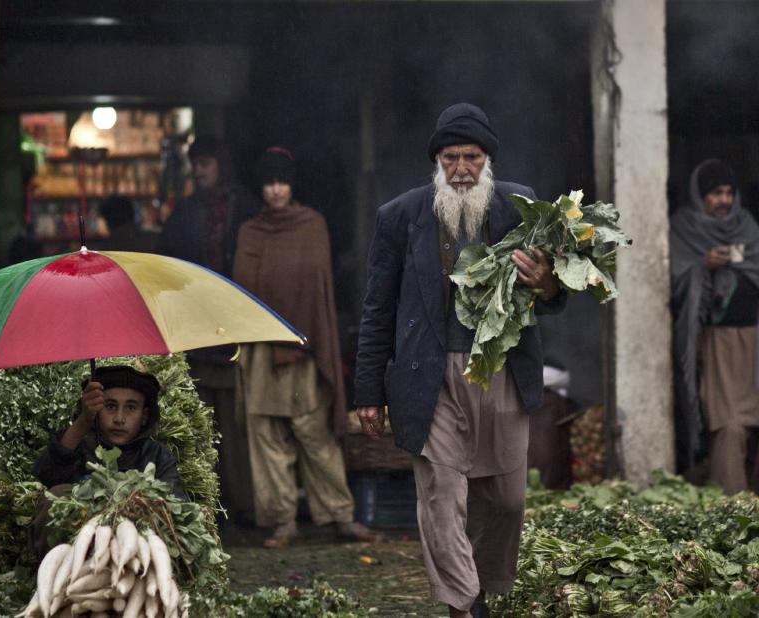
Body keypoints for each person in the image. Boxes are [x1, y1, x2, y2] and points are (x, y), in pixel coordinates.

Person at [353, 103, 564, 618]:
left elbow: (557, 294)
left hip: (500, 370)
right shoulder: (401, 217)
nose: (462, 168)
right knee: (443, 493)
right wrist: (368, 392)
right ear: (437, 162)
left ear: (487, 159)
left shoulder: (522, 207)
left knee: (506, 500)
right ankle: (461, 604)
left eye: (471, 156)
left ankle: (483, 589)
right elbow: (377, 307)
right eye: (451, 158)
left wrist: (547, 282)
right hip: (431, 377)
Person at [232, 147, 381, 549]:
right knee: (266, 437)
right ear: (260, 188)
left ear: (292, 186)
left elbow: (317, 288)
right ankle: (282, 521)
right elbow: (240, 288)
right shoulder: (249, 232)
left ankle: (341, 515)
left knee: (315, 435)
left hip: (302, 347)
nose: (276, 190)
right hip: (262, 348)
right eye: (269, 183)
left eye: (282, 182)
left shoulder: (311, 225)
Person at [155, 135, 260, 522]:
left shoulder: (243, 206)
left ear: (220, 164)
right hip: (193, 324)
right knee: (199, 419)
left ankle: (244, 503)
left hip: (233, 323)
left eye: (205, 163)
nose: (199, 171)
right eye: (194, 164)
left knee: (237, 421)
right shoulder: (185, 211)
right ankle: (205, 502)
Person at [671, 159, 759, 495]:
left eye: (728, 193)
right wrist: (702, 265)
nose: (723, 200)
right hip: (713, 344)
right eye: (715, 194)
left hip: (752, 341)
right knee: (728, 424)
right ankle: (733, 507)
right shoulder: (684, 229)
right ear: (700, 196)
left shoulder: (747, 227)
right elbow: (666, 280)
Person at [30, 365, 184, 554]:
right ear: (96, 409)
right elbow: (46, 475)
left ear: (144, 416)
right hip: (73, 553)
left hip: (136, 556)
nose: (119, 419)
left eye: (130, 408)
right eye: (110, 406)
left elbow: (176, 508)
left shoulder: (157, 456)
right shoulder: (80, 444)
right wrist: (84, 420)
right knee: (58, 494)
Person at [87, 194, 159, 253]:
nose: (97, 222)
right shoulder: (152, 238)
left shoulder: (109, 249)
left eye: (99, 217)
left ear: (108, 218)